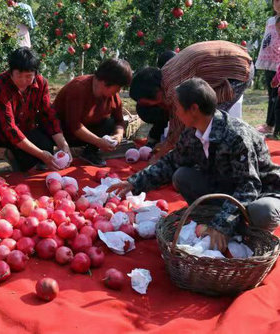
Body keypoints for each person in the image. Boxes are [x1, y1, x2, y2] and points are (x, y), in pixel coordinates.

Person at [108, 78, 280, 252]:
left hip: (262, 192)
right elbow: (172, 161)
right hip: (227, 187)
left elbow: (248, 187)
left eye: (178, 107)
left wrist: (222, 225)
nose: (175, 112)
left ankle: (249, 232)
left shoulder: (236, 137)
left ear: (194, 109)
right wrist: (135, 182)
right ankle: (221, 222)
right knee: (182, 176)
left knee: (263, 211)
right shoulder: (193, 133)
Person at [129, 41, 253, 163]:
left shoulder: (173, 87)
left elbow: (181, 121)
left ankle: (218, 161)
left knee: (208, 121)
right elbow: (177, 121)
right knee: (200, 121)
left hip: (238, 70)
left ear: (153, 93)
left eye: (146, 102)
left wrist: (164, 150)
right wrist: (167, 143)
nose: (151, 105)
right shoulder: (166, 74)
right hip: (236, 60)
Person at [0, 47, 71, 178]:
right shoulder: (0, 84)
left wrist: (63, 145)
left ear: (35, 73)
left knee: (46, 143)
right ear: (11, 72)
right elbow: (9, 128)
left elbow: (49, 115)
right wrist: (41, 154)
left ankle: (14, 155)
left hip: (23, 130)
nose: (24, 81)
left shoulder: (41, 84)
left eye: (29, 76)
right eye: (19, 75)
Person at [52, 58, 132, 166]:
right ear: (105, 82)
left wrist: (118, 135)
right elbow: (75, 126)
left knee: (109, 123)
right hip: (63, 134)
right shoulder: (78, 89)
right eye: (118, 87)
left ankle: (90, 152)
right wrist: (99, 142)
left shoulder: (113, 97)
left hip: (88, 134)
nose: (119, 91)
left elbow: (119, 121)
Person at [255, 0, 280, 134]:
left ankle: (272, 125)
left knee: (276, 97)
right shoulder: (270, 20)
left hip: (278, 63)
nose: (278, 3)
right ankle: (269, 124)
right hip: (267, 61)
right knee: (271, 95)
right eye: (275, 0)